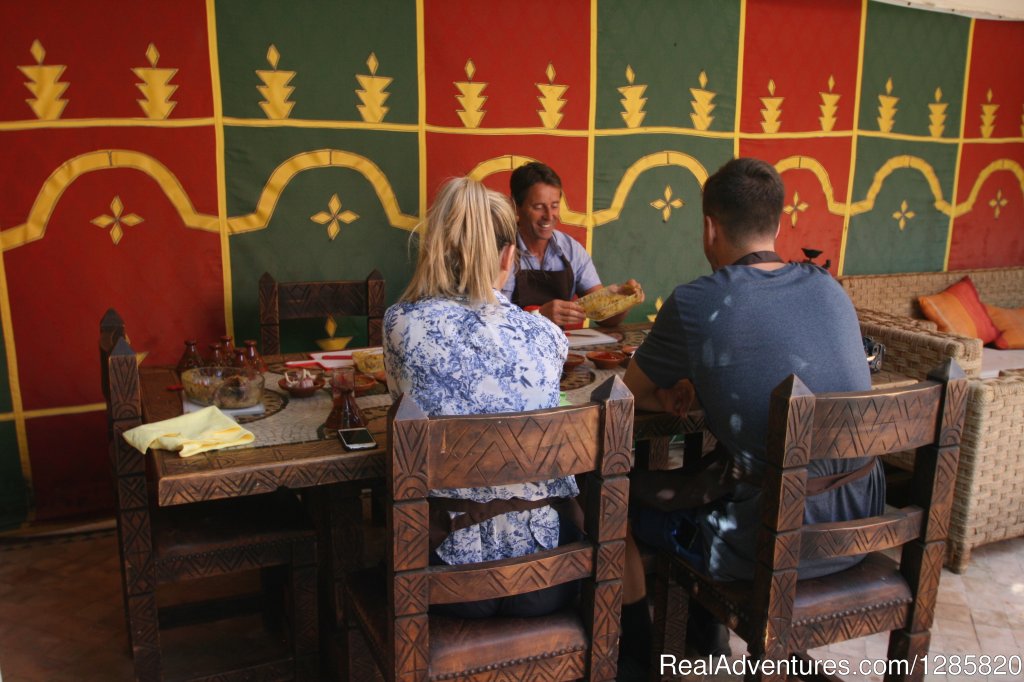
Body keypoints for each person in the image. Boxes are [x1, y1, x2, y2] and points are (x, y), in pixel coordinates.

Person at [619, 157, 884, 664]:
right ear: (779, 224)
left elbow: (629, 395)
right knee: (719, 477)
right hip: (861, 526)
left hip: (771, 547)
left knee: (622, 505)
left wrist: (671, 390)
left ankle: (637, 662)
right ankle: (706, 639)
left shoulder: (696, 302)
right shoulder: (831, 288)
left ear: (709, 227)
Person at [383, 176, 579, 617]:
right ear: (510, 256)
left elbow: (405, 415)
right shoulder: (548, 337)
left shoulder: (401, 324)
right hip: (544, 574)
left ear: (434, 250)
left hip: (446, 575)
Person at [501, 161, 645, 327]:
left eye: (554, 206)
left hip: (560, 349)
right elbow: (489, 321)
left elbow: (604, 319)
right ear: (516, 207)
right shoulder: (499, 251)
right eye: (539, 207)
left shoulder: (571, 250)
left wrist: (623, 300)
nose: (549, 215)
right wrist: (538, 315)